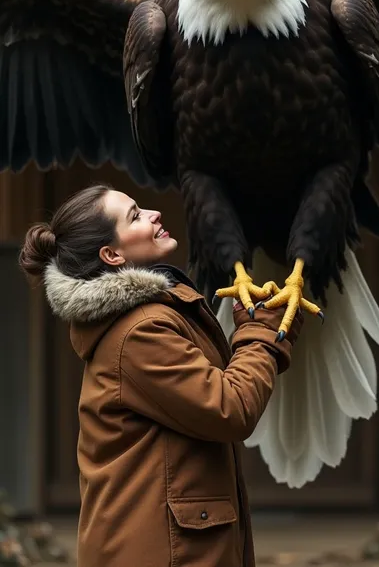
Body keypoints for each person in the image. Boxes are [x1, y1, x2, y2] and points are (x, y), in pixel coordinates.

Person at [19, 183, 303, 567]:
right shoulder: (140, 331)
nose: (154, 214)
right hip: (164, 552)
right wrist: (263, 333)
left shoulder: (146, 317)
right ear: (112, 254)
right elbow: (230, 408)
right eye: (135, 215)